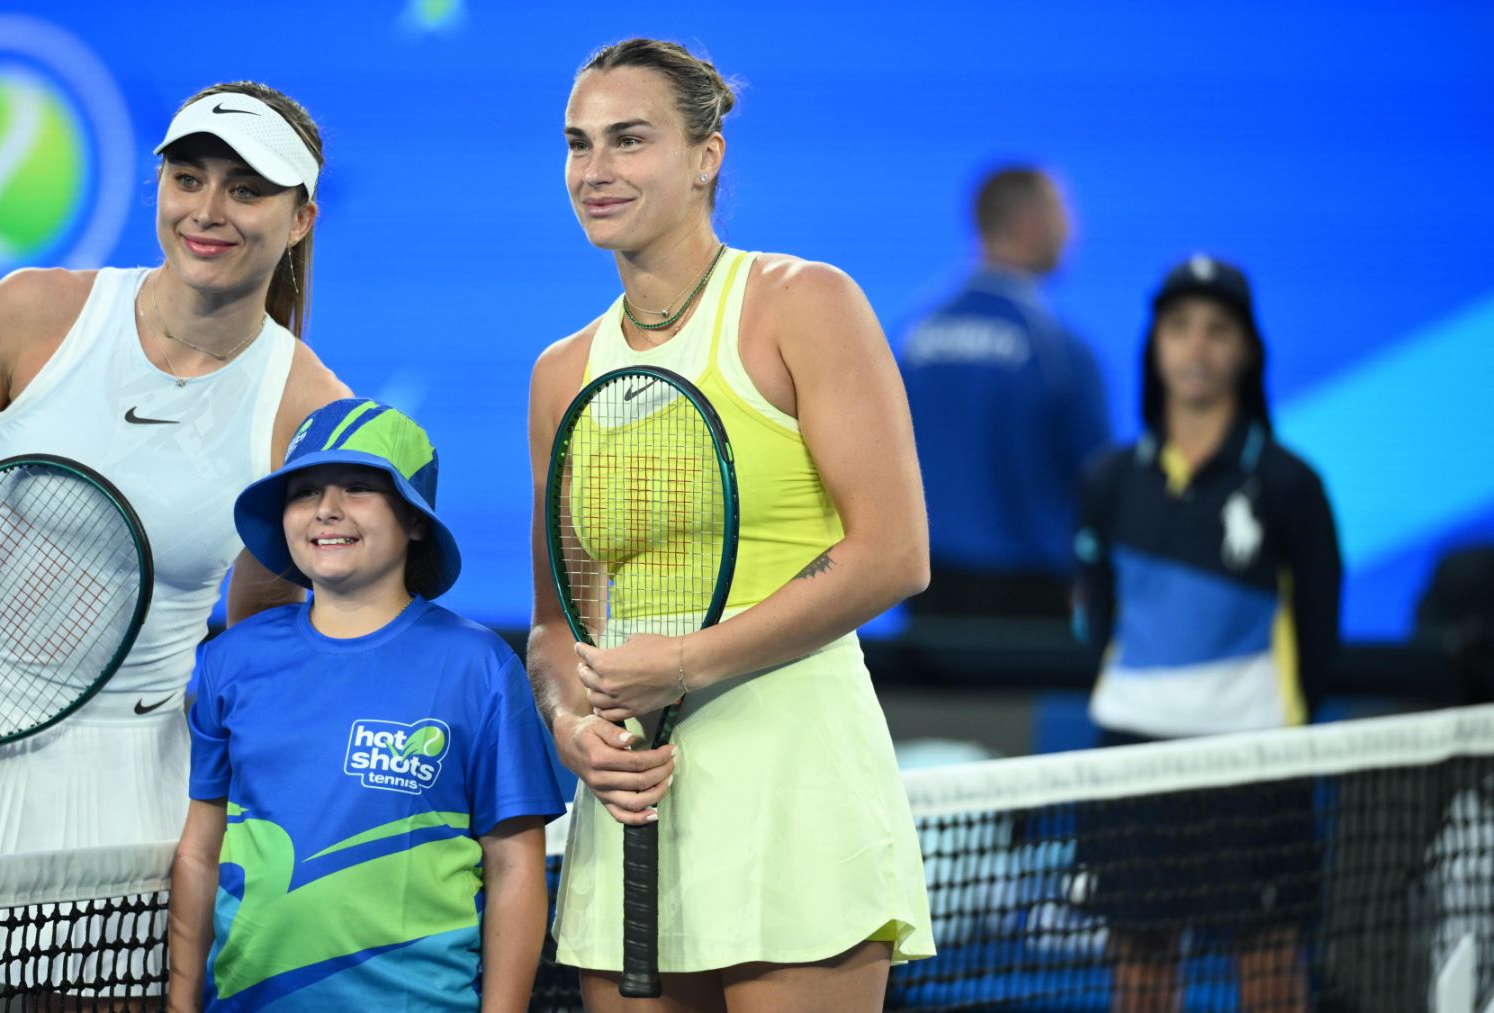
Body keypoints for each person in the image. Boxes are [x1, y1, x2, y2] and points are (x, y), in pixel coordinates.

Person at [0, 80, 350, 855]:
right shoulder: (32, 313)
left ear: (300, 220)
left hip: (125, 784)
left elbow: (257, 632)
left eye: (247, 190)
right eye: (187, 177)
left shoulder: (313, 417)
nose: (207, 210)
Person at [527, 38, 935, 1013]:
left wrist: (687, 663)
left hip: (795, 793)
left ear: (706, 156)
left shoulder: (805, 304)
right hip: (632, 807)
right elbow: (557, 624)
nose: (595, 170)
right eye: (579, 144)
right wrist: (571, 721)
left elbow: (893, 552)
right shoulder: (558, 374)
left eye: (629, 140)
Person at [169, 398, 565, 1012]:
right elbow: (201, 848)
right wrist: (179, 1003)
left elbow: (515, 865)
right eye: (304, 492)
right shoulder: (231, 660)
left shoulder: (479, 666)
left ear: (414, 521)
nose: (327, 509)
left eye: (357, 488)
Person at [1073, 254, 1342, 1013]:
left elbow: (1317, 645)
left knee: (1267, 961)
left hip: (1253, 765)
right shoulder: (1108, 480)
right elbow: (1095, 620)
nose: (1197, 346)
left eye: (1218, 330)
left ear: (1248, 350)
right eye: (1179, 327)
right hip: (1131, 759)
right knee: (1140, 960)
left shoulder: (1292, 485)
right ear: (1155, 345)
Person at [900, 165, 1108, 620]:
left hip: (927, 592)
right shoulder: (1056, 350)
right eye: (1063, 214)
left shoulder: (912, 340)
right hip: (1029, 595)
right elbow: (1098, 484)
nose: (1073, 231)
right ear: (1029, 225)